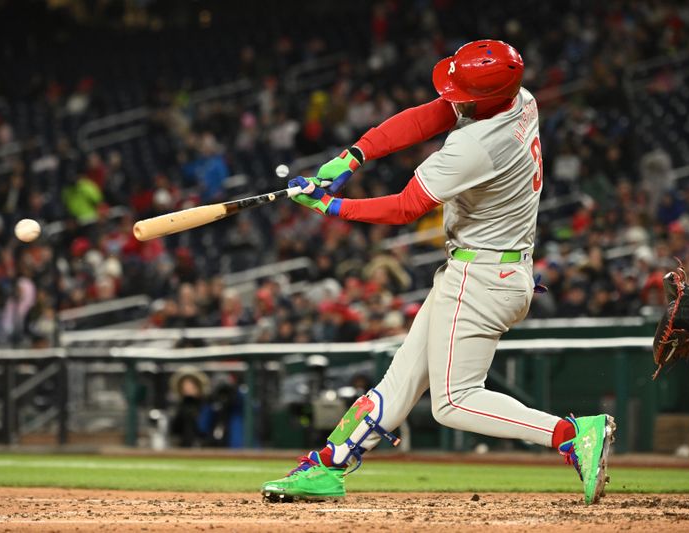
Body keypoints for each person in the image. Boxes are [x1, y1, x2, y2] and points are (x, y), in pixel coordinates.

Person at [261, 40, 615, 505]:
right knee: (400, 381)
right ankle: (329, 466)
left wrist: (330, 205)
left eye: (462, 91)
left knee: (454, 402)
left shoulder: (476, 145)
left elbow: (407, 207)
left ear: (484, 98)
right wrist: (354, 156)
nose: (453, 97)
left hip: (481, 276)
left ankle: (570, 434)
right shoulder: (519, 99)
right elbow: (428, 115)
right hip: (492, 269)